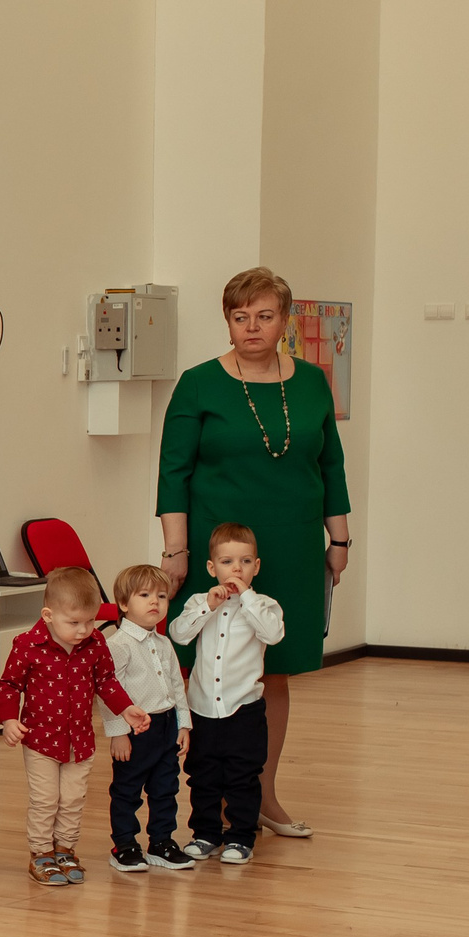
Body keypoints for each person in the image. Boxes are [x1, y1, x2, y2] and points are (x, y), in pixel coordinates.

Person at [157, 266, 351, 838]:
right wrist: (175, 551)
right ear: (228, 322)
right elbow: (174, 472)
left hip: (290, 543)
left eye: (264, 316)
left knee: (276, 670)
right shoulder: (198, 383)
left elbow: (331, 464)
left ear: (284, 320)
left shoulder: (313, 381)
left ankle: (262, 793)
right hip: (218, 546)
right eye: (240, 317)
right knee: (205, 666)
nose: (252, 327)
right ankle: (210, 797)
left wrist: (339, 539)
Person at [0, 568, 149, 887]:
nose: (84, 630)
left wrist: (127, 708)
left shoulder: (95, 644)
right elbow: (9, 684)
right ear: (48, 615)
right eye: (74, 623)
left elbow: (106, 681)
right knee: (46, 798)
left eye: (90, 621)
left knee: (73, 798)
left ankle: (65, 849)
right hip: (40, 741)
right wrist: (9, 719)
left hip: (80, 741)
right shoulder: (27, 644)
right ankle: (40, 853)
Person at [168, 522, 286, 864]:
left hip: (243, 710)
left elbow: (274, 634)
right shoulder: (198, 602)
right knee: (202, 775)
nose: (236, 569)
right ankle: (205, 834)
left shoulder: (264, 605)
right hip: (202, 708)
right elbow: (179, 634)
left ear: (256, 567)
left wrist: (246, 598)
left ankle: (240, 838)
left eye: (245, 562)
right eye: (227, 562)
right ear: (212, 567)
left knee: (242, 776)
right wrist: (208, 605)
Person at [97, 567, 195, 876]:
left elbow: (177, 687)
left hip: (166, 727)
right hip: (136, 731)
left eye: (161, 596)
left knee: (165, 787)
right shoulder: (118, 645)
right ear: (124, 604)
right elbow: (109, 693)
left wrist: (183, 724)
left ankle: (161, 842)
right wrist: (118, 733)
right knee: (127, 790)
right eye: (145, 595)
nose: (155, 602)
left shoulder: (163, 644)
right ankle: (124, 844)